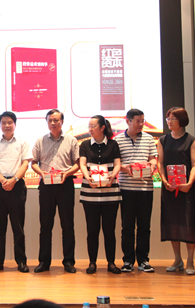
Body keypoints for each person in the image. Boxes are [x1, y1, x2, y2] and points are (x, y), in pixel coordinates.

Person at [157, 107, 195, 275]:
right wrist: (164, 180)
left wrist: (189, 183)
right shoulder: (163, 140)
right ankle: (177, 259)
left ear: (182, 120)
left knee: (188, 222)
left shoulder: (191, 140)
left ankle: (190, 260)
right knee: (173, 223)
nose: (169, 122)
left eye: (173, 119)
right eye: (168, 119)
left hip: (187, 189)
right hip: (169, 188)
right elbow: (160, 163)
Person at [30, 109, 79, 273]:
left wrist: (67, 173)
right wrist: (42, 173)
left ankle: (69, 262)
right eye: (50, 120)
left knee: (68, 225)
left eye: (56, 120)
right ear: (47, 122)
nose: (53, 123)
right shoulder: (40, 141)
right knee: (45, 226)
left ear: (62, 122)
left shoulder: (71, 140)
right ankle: (44, 262)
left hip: (65, 184)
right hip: (46, 186)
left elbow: (77, 164)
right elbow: (33, 163)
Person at [0, 111, 32, 273]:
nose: (7, 125)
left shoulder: (22, 142)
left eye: (10, 122)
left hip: (17, 185)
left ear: (15, 124)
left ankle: (21, 261)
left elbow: (25, 163)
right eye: (4, 123)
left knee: (18, 227)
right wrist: (3, 181)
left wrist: (13, 180)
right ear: (0, 125)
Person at [79, 115, 122, 275]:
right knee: (92, 230)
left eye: (93, 126)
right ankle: (92, 263)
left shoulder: (113, 144)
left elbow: (117, 164)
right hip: (89, 193)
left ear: (102, 128)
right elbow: (82, 164)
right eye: (89, 126)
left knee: (109, 230)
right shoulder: (84, 144)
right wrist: (87, 177)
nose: (90, 129)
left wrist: (112, 176)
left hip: (110, 193)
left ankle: (111, 263)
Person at [116, 108, 158, 273]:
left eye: (142, 121)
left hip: (145, 188)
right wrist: (125, 168)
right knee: (127, 227)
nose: (141, 124)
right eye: (137, 121)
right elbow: (116, 163)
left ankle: (143, 260)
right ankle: (127, 260)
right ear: (128, 121)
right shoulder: (118, 140)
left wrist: (152, 166)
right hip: (126, 189)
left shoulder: (149, 138)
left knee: (144, 226)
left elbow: (153, 159)